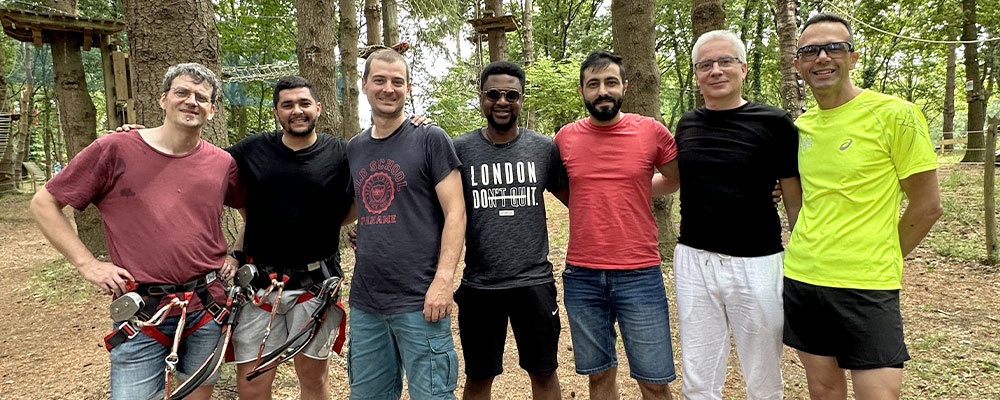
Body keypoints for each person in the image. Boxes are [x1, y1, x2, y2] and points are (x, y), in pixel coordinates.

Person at [29, 63, 242, 399]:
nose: (191, 101)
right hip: (142, 312)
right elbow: (44, 204)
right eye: (182, 92)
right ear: (163, 100)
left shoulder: (221, 163)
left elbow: (249, 209)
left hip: (207, 305)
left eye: (202, 97)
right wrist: (88, 264)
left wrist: (237, 251)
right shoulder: (115, 149)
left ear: (212, 110)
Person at [783, 13, 942, 399]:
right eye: (810, 51)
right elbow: (803, 196)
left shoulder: (896, 115)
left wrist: (885, 253)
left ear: (853, 58)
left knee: (879, 395)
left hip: (867, 285)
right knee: (823, 390)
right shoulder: (802, 127)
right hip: (803, 278)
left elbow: (927, 206)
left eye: (834, 47)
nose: (822, 57)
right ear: (798, 64)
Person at [672, 30, 802, 400]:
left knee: (762, 371)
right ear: (696, 75)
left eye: (725, 61)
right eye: (705, 65)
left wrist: (801, 252)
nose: (716, 70)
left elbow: (792, 195)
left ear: (742, 68)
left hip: (757, 261)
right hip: (694, 260)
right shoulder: (687, 123)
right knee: (698, 374)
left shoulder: (775, 122)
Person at [554, 50, 680, 400]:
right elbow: (565, 187)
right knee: (599, 377)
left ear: (624, 86)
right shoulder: (565, 138)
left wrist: (636, 188)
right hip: (583, 275)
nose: (602, 91)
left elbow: (675, 178)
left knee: (655, 382)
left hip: (639, 273)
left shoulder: (651, 131)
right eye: (593, 84)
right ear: (582, 90)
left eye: (610, 82)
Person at [345, 48, 465, 399]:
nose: (388, 88)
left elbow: (456, 212)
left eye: (397, 82)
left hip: (420, 299)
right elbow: (354, 207)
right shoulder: (355, 148)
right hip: (367, 302)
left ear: (408, 88)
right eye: (379, 80)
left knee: (433, 395)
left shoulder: (429, 138)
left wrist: (444, 280)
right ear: (364, 85)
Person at [226, 75, 354, 400]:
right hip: (258, 288)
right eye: (287, 105)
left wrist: (416, 127)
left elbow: (385, 165)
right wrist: (140, 138)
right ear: (276, 112)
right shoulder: (251, 150)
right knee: (252, 387)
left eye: (304, 103)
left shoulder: (342, 153)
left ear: (318, 108)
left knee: (313, 380)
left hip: (315, 286)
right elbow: (196, 160)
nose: (297, 111)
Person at [451, 60, 567, 400]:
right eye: (493, 94)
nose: (502, 101)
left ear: (522, 99)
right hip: (480, 284)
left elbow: (578, 202)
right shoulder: (460, 150)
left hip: (534, 283)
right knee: (478, 377)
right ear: (481, 98)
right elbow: (434, 208)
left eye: (511, 94)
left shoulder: (544, 149)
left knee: (544, 373)